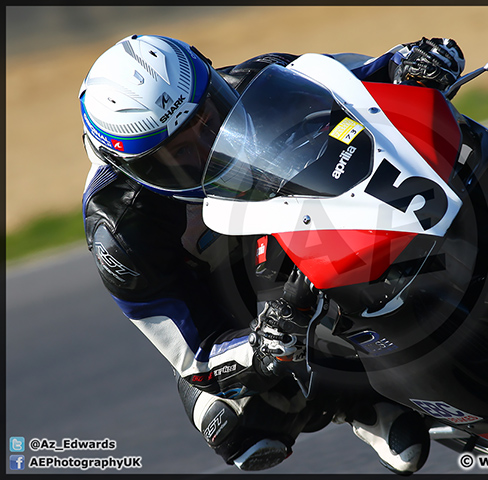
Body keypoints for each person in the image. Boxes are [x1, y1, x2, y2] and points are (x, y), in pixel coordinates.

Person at [80, 34, 465, 474]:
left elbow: (351, 81)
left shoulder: (252, 82)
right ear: (135, 166)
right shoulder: (121, 231)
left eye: (208, 120)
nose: (205, 149)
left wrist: (407, 63)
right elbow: (195, 357)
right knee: (232, 426)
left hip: (321, 208)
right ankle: (358, 402)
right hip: (245, 299)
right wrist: (262, 344)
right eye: (179, 152)